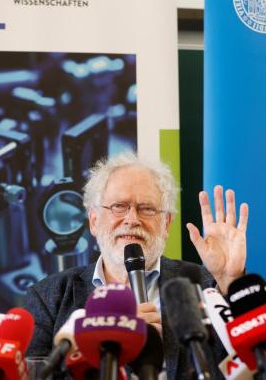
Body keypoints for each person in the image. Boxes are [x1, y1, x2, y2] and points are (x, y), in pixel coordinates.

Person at [24, 152, 249, 379]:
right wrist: (110, 345)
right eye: (119, 206)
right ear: (93, 221)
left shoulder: (203, 285)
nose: (132, 219)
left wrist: (230, 280)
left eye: (147, 208)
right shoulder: (48, 297)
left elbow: (251, 367)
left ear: (166, 224)